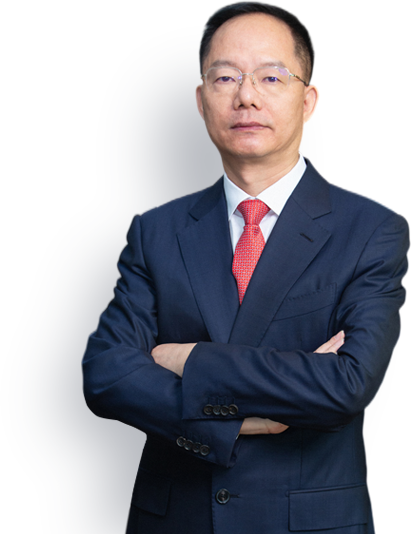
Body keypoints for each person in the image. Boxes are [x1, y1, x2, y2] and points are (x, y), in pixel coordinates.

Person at [81, 3, 409, 533]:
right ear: (201, 100)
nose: (246, 96)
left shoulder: (371, 230)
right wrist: (232, 425)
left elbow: (347, 384)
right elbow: (106, 374)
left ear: (308, 102)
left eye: (271, 77)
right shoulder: (157, 230)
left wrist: (190, 359)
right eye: (225, 78)